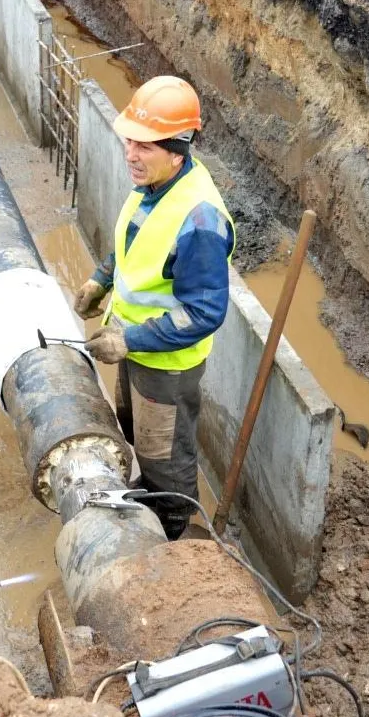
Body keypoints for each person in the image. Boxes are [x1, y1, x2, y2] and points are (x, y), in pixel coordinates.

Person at [74, 76, 235, 540]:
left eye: (144, 145)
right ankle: (153, 490)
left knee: (166, 458)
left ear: (177, 149)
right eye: (130, 141)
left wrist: (129, 339)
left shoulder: (199, 220)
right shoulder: (153, 185)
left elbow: (203, 313)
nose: (130, 153)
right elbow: (135, 245)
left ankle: (175, 529)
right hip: (138, 352)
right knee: (139, 436)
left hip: (165, 366)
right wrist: (100, 280)